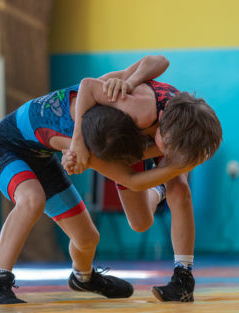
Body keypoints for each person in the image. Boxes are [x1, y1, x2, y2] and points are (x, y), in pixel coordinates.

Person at [0, 55, 193, 305]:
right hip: (4, 148)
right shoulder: (76, 138)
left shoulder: (114, 92)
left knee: (89, 238)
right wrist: (183, 160)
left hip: (45, 153)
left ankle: (83, 277)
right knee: (32, 198)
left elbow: (157, 62)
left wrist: (132, 81)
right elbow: (132, 181)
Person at [63, 61, 222, 302]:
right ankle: (158, 189)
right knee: (140, 222)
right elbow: (87, 86)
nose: (170, 156)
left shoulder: (183, 125)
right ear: (164, 126)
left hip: (143, 139)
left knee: (180, 189)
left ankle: (183, 277)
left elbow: (161, 63)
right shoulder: (138, 106)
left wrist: (174, 162)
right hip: (121, 143)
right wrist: (77, 142)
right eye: (169, 149)